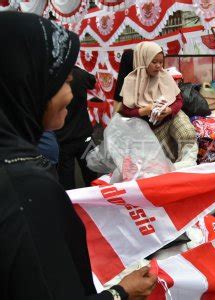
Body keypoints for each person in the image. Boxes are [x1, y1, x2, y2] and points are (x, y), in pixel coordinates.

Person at [0, 12, 156, 300]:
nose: (71, 94)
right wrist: (121, 294)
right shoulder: (25, 189)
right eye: (59, 80)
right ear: (24, 83)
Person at [119, 41, 198, 169]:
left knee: (187, 133)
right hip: (150, 130)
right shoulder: (131, 81)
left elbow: (179, 100)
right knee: (162, 162)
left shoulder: (165, 76)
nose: (158, 66)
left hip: (170, 119)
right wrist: (145, 110)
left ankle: (187, 167)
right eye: (154, 62)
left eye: (161, 62)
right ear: (143, 60)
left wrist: (169, 110)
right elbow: (125, 111)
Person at [56, 66, 98, 190]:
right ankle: (96, 204)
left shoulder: (51, 76)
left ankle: (71, 207)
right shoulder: (78, 74)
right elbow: (92, 81)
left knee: (66, 180)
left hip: (62, 138)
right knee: (91, 176)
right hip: (84, 134)